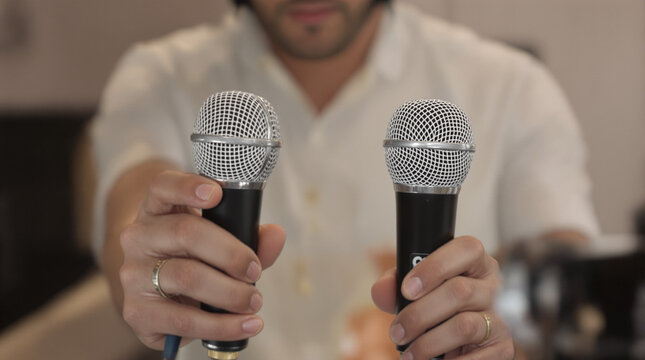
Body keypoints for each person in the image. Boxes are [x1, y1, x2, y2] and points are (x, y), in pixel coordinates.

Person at [90, 0, 599, 359]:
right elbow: (131, 206)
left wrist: (506, 329)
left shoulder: (513, 89)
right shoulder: (157, 78)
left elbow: (577, 299)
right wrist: (151, 261)